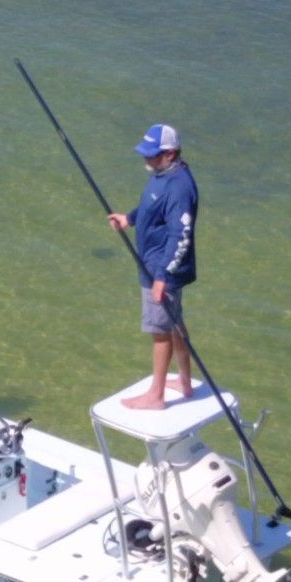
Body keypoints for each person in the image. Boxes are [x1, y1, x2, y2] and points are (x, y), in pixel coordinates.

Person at [106, 122, 197, 409]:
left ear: (170, 154)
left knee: (160, 332)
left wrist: (162, 277)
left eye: (153, 154)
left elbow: (180, 236)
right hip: (158, 266)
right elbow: (150, 208)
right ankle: (184, 383)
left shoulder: (180, 188)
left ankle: (155, 396)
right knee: (174, 325)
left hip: (161, 269)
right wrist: (129, 219)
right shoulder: (162, 175)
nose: (146, 159)